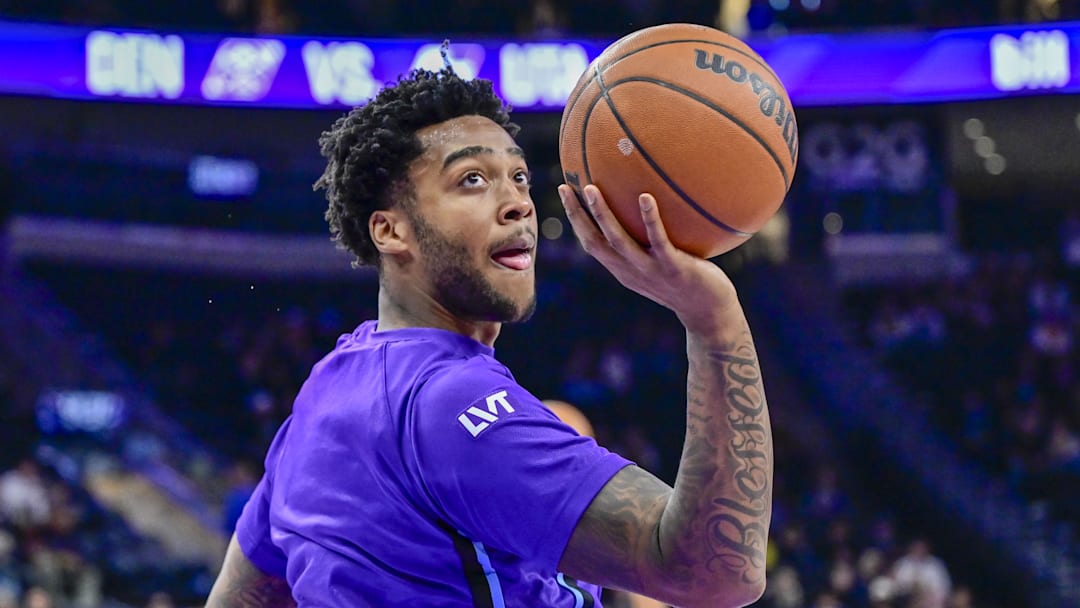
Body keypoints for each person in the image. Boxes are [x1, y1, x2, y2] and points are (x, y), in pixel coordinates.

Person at [205, 59, 774, 607]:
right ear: (389, 229)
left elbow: (242, 598)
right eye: (472, 179)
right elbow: (718, 573)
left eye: (520, 177)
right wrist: (713, 318)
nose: (518, 204)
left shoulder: (322, 395)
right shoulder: (449, 405)